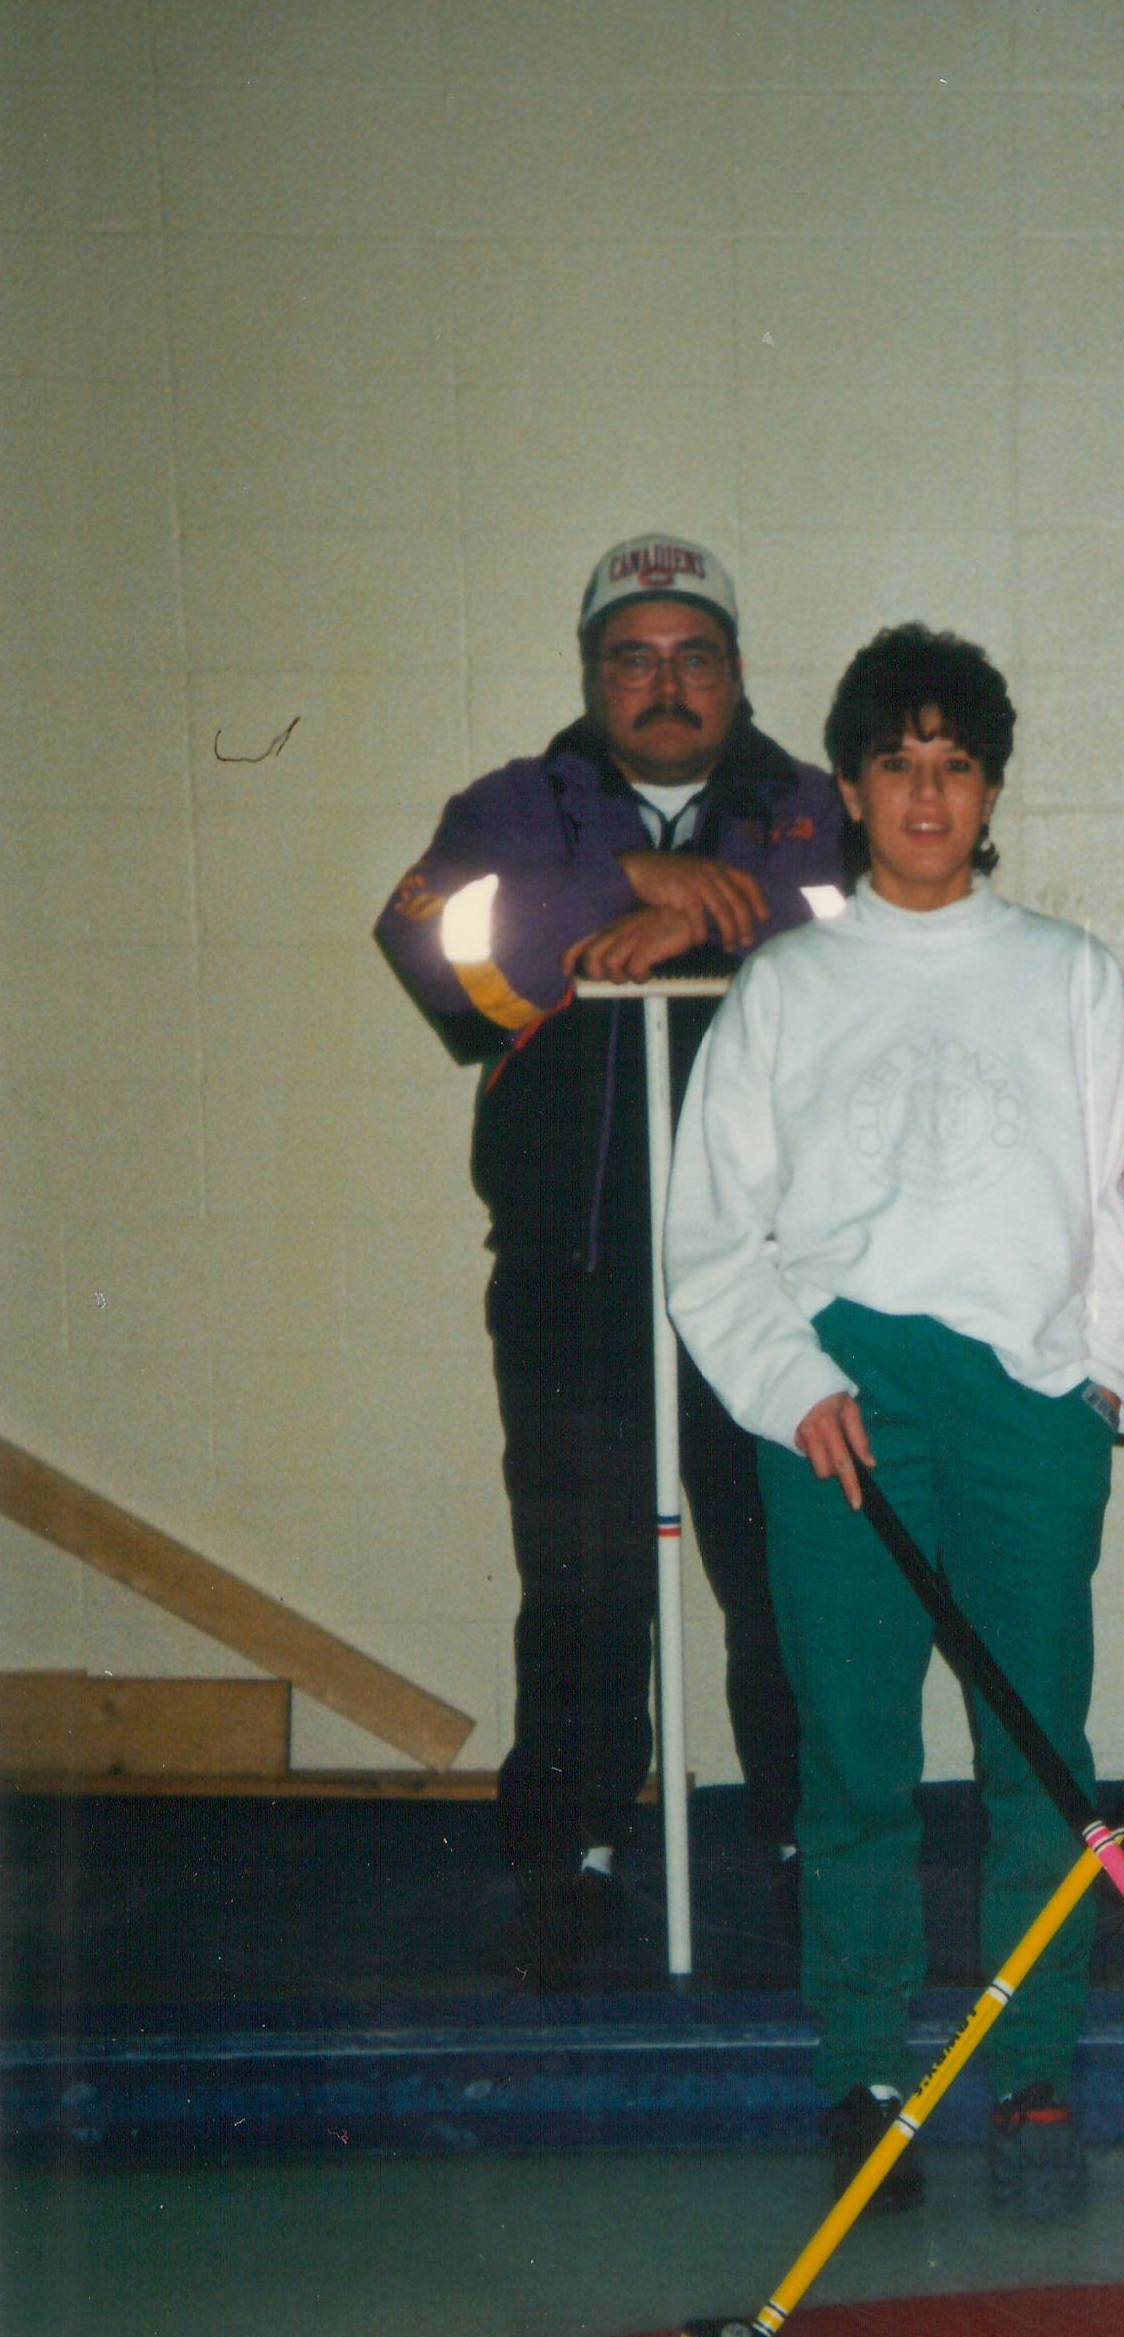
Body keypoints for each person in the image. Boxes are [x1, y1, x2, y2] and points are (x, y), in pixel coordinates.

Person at [665, 623, 1124, 2222]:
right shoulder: (791, 987)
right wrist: (796, 1385)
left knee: (1039, 1755)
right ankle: (864, 2075)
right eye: (898, 764)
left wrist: (1100, 1386)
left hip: (1022, 1406)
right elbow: (713, 1236)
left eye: (955, 764)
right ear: (855, 790)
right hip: (840, 1410)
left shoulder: (1072, 979)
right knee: (859, 1759)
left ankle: (1032, 2074)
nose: (927, 792)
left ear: (991, 783)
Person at [376, 532, 842, 1986]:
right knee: (580, 1579)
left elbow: (827, 923)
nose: (664, 683)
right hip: (574, 1278)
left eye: (693, 655)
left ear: (738, 671)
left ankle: (806, 1841)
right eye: (632, 657)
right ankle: (574, 1855)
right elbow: (437, 951)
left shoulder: (809, 804)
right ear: (592, 674)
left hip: (768, 1281)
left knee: (786, 1578)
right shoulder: (511, 805)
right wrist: (616, 885)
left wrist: (665, 899)